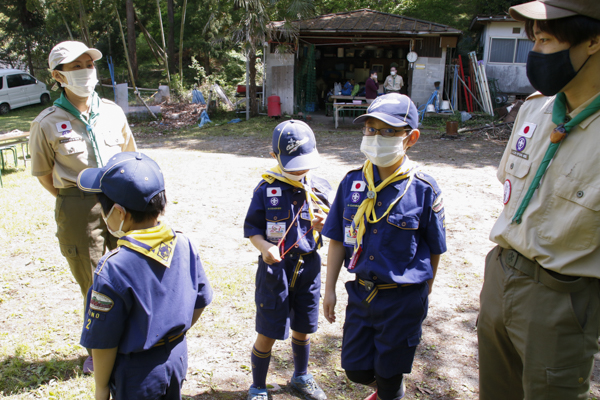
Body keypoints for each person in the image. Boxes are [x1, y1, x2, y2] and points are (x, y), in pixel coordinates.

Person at [477, 1, 600, 399]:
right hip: (501, 275)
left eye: (545, 41)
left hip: (561, 297)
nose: (534, 54)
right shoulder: (534, 111)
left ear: (593, 42)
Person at [322, 93, 446, 400]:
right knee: (356, 370)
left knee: (389, 378)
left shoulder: (423, 188)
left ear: (410, 138)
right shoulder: (352, 183)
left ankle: (392, 391)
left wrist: (424, 292)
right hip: (362, 294)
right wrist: (330, 289)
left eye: (389, 131)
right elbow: (338, 238)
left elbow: (434, 248)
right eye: (371, 130)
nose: (377, 138)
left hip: (402, 300)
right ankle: (388, 388)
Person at [29, 40, 136, 373]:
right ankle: (98, 347)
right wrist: (75, 200)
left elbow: (131, 153)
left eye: (89, 64)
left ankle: (130, 338)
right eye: (76, 67)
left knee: (129, 269)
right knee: (93, 280)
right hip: (77, 205)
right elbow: (45, 174)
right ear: (58, 76)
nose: (85, 71)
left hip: (121, 201)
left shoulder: (113, 112)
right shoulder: (46, 122)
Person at [78, 152, 213, 400]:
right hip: (176, 357)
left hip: (135, 373)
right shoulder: (184, 243)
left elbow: (104, 342)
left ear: (119, 212)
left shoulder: (113, 268)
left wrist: (100, 388)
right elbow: (200, 301)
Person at [243, 120, 332, 400]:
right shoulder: (266, 189)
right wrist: (263, 247)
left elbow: (335, 225)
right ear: (275, 157)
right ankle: (258, 385)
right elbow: (252, 229)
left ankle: (301, 376)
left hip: (309, 266)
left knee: (304, 327)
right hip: (275, 269)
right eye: (293, 163)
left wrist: (324, 223)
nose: (300, 169)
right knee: (268, 329)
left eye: (304, 162)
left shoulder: (319, 186)